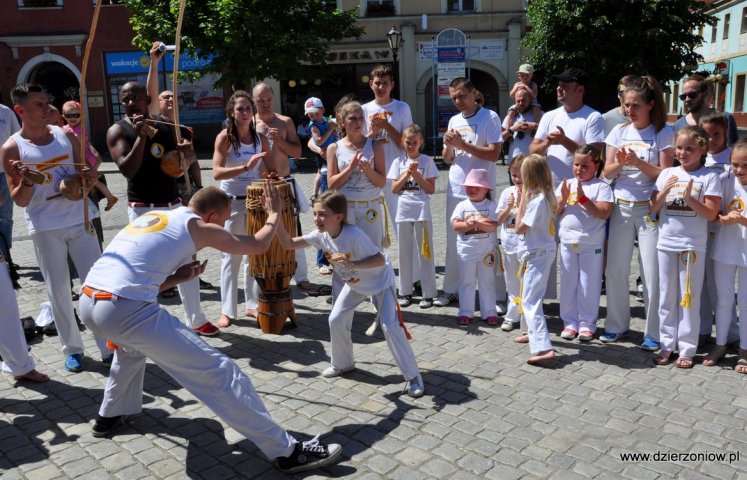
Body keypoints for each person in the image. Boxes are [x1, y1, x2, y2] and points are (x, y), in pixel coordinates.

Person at [79, 184, 341, 473]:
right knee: (222, 372)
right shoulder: (198, 224)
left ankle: (109, 415)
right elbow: (258, 244)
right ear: (213, 215)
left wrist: (176, 278)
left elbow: (133, 277)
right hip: (123, 309)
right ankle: (287, 452)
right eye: (226, 219)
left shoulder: (157, 216)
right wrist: (274, 213)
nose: (225, 226)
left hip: (90, 302)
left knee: (130, 350)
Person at [0, 83, 108, 372]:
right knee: (58, 290)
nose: (46, 107)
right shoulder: (12, 147)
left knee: (94, 286)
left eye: (46, 101)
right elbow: (19, 201)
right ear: (20, 110)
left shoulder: (63, 135)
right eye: (38, 104)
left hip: (79, 218)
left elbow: (85, 171)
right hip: (45, 227)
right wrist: (24, 180)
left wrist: (88, 174)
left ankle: (107, 345)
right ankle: (73, 349)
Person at [276, 190, 424, 397]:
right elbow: (288, 244)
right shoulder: (320, 236)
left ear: (339, 217)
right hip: (355, 285)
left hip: (381, 284)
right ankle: (342, 364)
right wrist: (273, 215)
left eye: (323, 214)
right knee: (336, 319)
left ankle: (413, 376)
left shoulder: (355, 235)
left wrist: (351, 263)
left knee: (390, 326)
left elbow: (380, 260)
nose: (317, 219)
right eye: (315, 214)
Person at [106, 81, 219, 336]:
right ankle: (144, 322)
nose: (131, 103)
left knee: (187, 261)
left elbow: (180, 163)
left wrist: (188, 155)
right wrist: (142, 138)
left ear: (147, 99)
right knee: (145, 269)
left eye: (136, 97)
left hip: (173, 205)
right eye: (125, 99)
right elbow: (128, 170)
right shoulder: (118, 130)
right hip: (143, 210)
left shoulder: (166, 126)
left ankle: (196, 318)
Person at [602, 75, 674, 350]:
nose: (629, 110)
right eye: (626, 104)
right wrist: (620, 164)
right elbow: (606, 172)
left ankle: (653, 332)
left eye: (635, 105)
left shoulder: (662, 133)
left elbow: (666, 175)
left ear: (650, 105)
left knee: (651, 272)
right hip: (621, 206)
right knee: (616, 269)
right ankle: (616, 325)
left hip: (649, 209)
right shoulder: (618, 132)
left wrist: (637, 162)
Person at [650, 126, 721, 368]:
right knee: (666, 296)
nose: (683, 152)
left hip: (692, 246)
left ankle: (687, 348)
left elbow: (712, 214)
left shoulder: (709, 177)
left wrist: (691, 199)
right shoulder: (667, 173)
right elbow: (652, 208)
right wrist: (664, 192)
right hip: (666, 242)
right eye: (679, 147)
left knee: (688, 298)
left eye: (689, 148)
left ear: (702, 149)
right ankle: (666, 344)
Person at [438, 77, 502, 308]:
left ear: (474, 93)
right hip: (456, 187)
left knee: (487, 237)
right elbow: (448, 159)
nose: (458, 101)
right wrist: (449, 146)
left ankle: (495, 295)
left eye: (462, 96)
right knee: (455, 238)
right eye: (453, 97)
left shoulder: (490, 117)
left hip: (482, 189)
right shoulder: (454, 119)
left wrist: (463, 145)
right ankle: (452, 289)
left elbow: (494, 154)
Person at [212, 91, 268, 327]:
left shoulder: (259, 138)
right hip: (231, 202)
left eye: (248, 109)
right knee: (230, 257)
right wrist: (245, 167)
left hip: (255, 202)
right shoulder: (225, 137)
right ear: (231, 113)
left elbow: (261, 170)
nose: (245, 113)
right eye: (240, 109)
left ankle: (252, 305)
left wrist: (269, 179)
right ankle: (227, 310)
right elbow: (216, 172)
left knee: (253, 256)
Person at [253, 83, 315, 293]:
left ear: (273, 98)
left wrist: (279, 141)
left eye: (268, 99)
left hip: (284, 182)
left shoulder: (285, 122)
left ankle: (302, 276)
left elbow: (297, 153)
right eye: (260, 100)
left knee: (292, 228)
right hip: (260, 185)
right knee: (262, 228)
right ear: (255, 101)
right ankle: (265, 273)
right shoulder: (249, 123)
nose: (265, 103)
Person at [555, 145, 613, 342]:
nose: (579, 169)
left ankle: (587, 324)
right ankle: (570, 323)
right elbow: (554, 211)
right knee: (569, 284)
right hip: (567, 242)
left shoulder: (602, 186)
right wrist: (562, 199)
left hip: (591, 244)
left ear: (596, 166)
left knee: (589, 285)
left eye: (585, 165)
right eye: (576, 164)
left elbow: (604, 212)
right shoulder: (566, 184)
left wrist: (583, 198)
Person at [705, 137, 747, 371]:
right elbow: (712, 210)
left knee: (745, 301)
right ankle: (720, 344)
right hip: (724, 247)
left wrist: (742, 220)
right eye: (735, 164)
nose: (739, 170)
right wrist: (721, 218)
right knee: (723, 299)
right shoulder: (724, 179)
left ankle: (744, 349)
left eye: (745, 165)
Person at [387, 124, 438, 308]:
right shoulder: (397, 162)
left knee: (425, 253)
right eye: (408, 142)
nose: (411, 146)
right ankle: (405, 292)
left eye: (415, 142)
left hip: (422, 211)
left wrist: (416, 175)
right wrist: (407, 174)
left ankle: (428, 293)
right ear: (403, 142)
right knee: (404, 253)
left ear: (421, 142)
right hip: (403, 212)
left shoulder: (427, 161)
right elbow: (394, 189)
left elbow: (431, 189)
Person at [146, 42, 203, 203]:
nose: (171, 99)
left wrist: (198, 185)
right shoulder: (155, 124)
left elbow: (194, 161)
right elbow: (150, 96)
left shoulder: (184, 130)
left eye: (173, 96)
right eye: (166, 97)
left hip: (184, 185)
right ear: (158, 102)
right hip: (162, 187)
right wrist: (154, 63)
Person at [698, 111, 737, 345]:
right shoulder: (697, 157)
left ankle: (730, 332)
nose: (711, 139)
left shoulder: (733, 159)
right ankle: (702, 330)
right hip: (699, 227)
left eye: (717, 134)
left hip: (723, 228)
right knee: (700, 284)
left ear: (725, 133)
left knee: (721, 286)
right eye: (706, 134)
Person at [514, 154, 557, 365]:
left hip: (537, 254)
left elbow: (519, 228)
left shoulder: (536, 201)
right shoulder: (548, 194)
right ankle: (531, 332)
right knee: (529, 294)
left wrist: (522, 199)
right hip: (541, 251)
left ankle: (543, 347)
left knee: (531, 300)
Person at [530, 68, 605, 186]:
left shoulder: (593, 117)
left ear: (580, 90)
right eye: (559, 85)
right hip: (551, 189)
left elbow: (594, 156)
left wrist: (563, 141)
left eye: (564, 86)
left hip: (580, 189)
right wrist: (547, 143)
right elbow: (533, 150)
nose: (559, 88)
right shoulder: (549, 116)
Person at [361, 64, 413, 225]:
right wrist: (373, 133)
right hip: (371, 173)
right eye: (377, 83)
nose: (381, 87)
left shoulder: (402, 107)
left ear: (392, 85)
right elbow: (359, 145)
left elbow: (409, 145)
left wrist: (387, 127)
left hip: (396, 172)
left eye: (385, 83)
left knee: (401, 222)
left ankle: (408, 251)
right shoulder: (363, 110)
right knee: (372, 222)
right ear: (371, 84)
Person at [451, 168, 499, 325]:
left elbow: (492, 226)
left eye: (476, 187)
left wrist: (478, 223)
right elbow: (455, 225)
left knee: (487, 282)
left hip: (486, 252)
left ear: (486, 189)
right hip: (466, 252)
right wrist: (467, 225)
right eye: (469, 186)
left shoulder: (491, 205)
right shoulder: (462, 205)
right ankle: (466, 311)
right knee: (467, 282)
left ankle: (489, 311)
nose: (471, 190)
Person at [61, 101, 118, 212]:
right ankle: (107, 196)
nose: (73, 118)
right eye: (69, 115)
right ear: (63, 115)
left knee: (92, 180)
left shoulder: (78, 130)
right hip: (80, 159)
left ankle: (108, 196)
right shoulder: (66, 128)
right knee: (91, 181)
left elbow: (76, 143)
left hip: (85, 159)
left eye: (76, 115)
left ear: (82, 115)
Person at [305, 96, 337, 275]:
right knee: (325, 216)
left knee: (337, 217)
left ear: (323, 111)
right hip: (327, 171)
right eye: (310, 115)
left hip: (337, 169)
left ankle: (334, 256)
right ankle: (321, 261)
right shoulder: (315, 126)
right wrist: (330, 130)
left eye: (316, 114)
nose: (313, 117)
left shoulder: (328, 121)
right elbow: (317, 141)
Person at [496, 155, 526, 334]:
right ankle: (512, 315)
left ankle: (525, 316)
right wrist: (508, 208)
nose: (517, 180)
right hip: (509, 243)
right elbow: (497, 220)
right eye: (514, 175)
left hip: (526, 246)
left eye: (521, 176)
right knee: (512, 282)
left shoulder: (534, 192)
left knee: (525, 283)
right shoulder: (507, 192)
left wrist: (523, 202)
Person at [673, 74, 739, 146]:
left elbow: (734, 151)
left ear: (705, 94)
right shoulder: (678, 125)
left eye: (692, 95)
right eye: (683, 96)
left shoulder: (725, 119)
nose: (687, 99)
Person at [0, 95, 20, 263]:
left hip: (3, 172)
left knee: (5, 215)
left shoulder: (5, 112)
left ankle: (5, 253)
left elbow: (17, 139)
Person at [502, 85, 540, 159]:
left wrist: (534, 126)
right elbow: (500, 139)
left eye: (523, 100)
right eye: (518, 101)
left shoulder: (540, 114)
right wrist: (513, 129)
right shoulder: (511, 115)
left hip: (533, 161)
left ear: (530, 99)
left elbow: (548, 135)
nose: (520, 103)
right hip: (514, 160)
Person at [506, 64, 542, 130]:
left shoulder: (533, 85)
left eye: (527, 75)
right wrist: (515, 88)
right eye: (522, 76)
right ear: (519, 76)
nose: (525, 77)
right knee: (511, 112)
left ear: (531, 76)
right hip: (519, 103)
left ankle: (537, 128)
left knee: (536, 110)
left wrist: (526, 87)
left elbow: (534, 95)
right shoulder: (517, 84)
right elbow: (511, 95)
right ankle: (508, 130)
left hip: (533, 103)